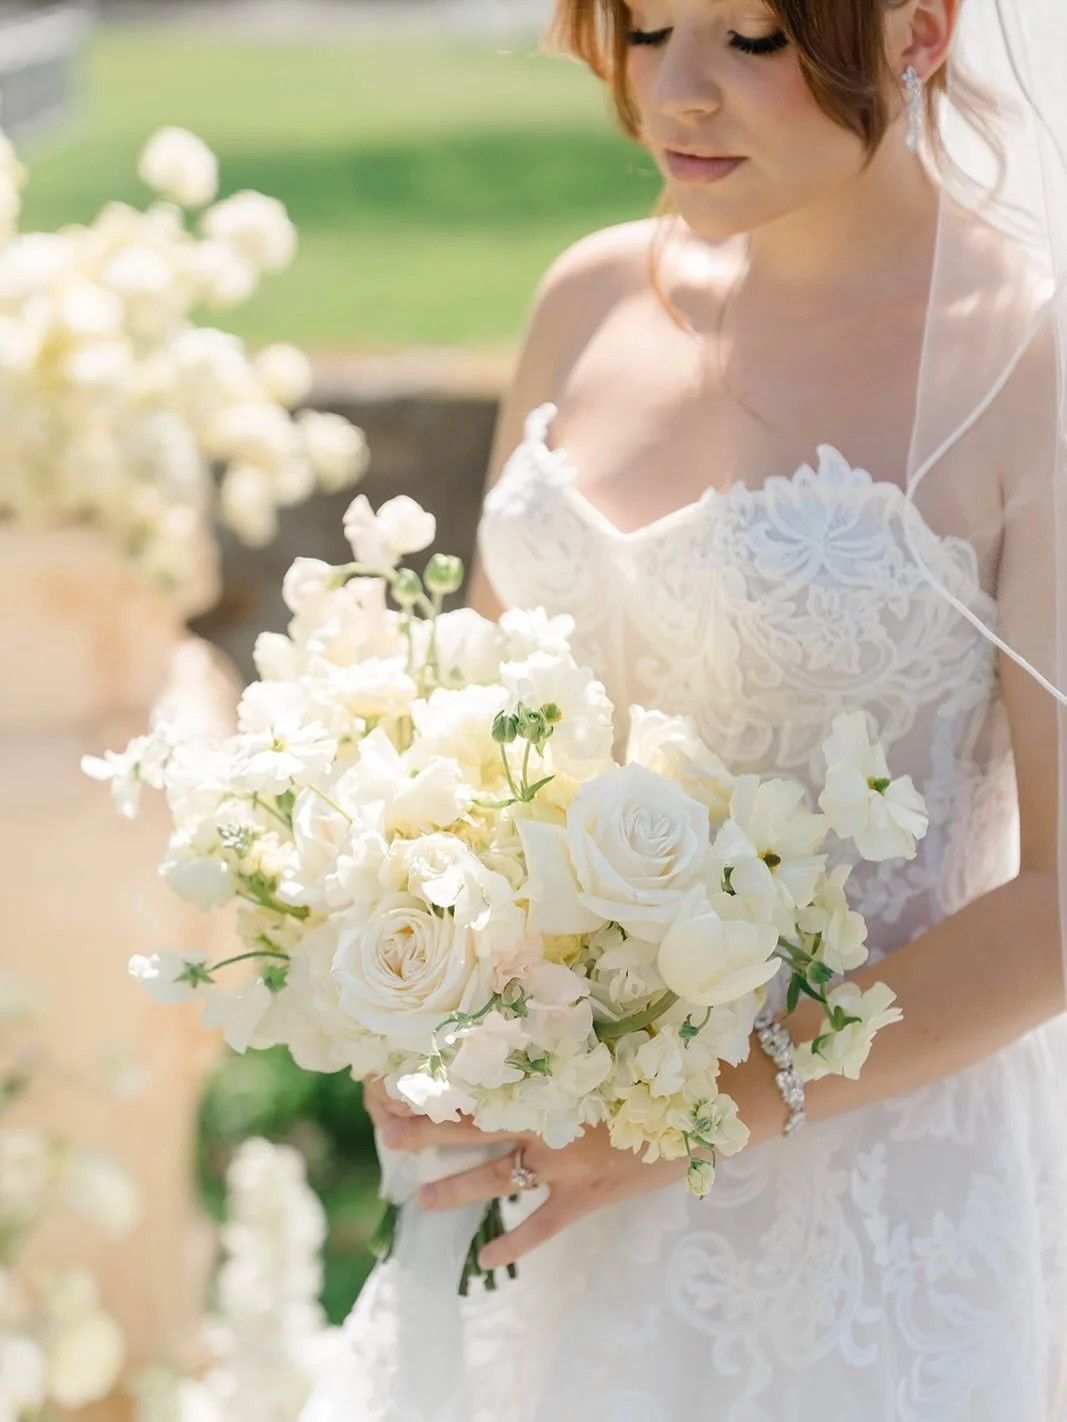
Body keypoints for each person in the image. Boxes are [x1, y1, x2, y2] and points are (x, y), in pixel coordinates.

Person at [306, 1, 1067, 1416]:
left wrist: (693, 1111)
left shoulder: (1026, 367)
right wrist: (403, 984)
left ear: (918, 28)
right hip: (527, 1180)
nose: (678, 93)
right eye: (649, 26)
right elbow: (475, 742)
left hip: (854, 1206)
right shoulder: (584, 297)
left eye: (755, 38)